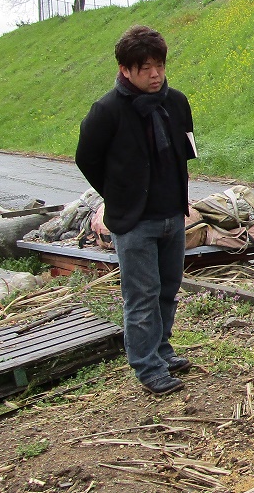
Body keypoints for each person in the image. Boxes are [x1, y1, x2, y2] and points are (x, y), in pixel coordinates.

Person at [76, 26, 196, 395]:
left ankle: (162, 349)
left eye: (159, 65)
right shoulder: (107, 111)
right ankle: (146, 365)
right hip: (134, 222)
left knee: (168, 288)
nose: (155, 74)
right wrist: (120, 195)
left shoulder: (175, 103)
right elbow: (87, 159)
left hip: (172, 215)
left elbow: (185, 153)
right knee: (141, 294)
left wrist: (180, 200)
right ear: (125, 70)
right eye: (145, 68)